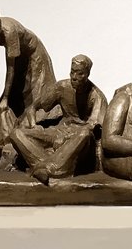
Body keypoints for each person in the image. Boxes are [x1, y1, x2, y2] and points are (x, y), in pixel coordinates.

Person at [9, 54, 107, 183]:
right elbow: (33, 107)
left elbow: (91, 126)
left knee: (85, 134)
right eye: (72, 72)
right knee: (16, 133)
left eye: (80, 74)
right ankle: (44, 165)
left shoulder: (97, 96)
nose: (74, 77)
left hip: (78, 139)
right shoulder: (61, 87)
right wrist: (34, 126)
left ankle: (51, 168)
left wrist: (68, 138)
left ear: (87, 74)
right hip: (58, 132)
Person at [0, 4, 59, 123]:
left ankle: (37, 122)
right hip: (18, 54)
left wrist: (5, 99)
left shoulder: (8, 31)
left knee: (36, 93)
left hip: (33, 52)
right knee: (17, 92)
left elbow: (10, 68)